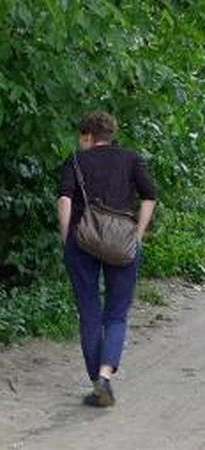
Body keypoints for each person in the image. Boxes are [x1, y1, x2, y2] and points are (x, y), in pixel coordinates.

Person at [57, 111, 157, 407]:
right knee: (116, 314)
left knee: (90, 312)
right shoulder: (132, 159)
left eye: (81, 136)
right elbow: (149, 196)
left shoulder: (76, 160)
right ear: (110, 135)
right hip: (122, 242)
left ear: (88, 135)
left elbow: (64, 200)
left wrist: (67, 238)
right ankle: (105, 376)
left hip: (83, 240)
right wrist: (137, 234)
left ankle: (95, 383)